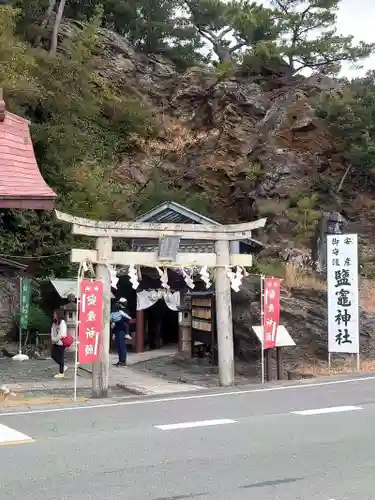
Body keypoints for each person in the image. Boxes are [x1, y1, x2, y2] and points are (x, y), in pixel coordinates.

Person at [110, 300, 132, 367]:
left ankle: (123, 362)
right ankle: (120, 361)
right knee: (119, 347)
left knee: (121, 346)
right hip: (118, 330)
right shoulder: (118, 312)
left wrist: (114, 322)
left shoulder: (123, 311)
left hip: (121, 331)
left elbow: (125, 321)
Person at [50, 310, 68, 378]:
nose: (53, 315)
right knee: (53, 355)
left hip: (61, 343)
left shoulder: (62, 322)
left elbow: (61, 334)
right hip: (55, 342)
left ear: (58, 314)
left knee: (61, 357)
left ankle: (61, 373)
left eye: (54, 314)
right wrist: (53, 339)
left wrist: (55, 339)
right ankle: (63, 367)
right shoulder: (54, 323)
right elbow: (52, 331)